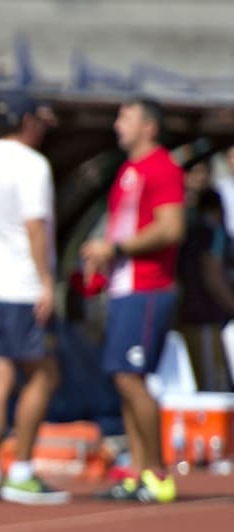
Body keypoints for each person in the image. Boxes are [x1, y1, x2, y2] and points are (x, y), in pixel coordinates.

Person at [80, 97, 185, 502]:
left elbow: (170, 228)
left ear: (149, 127)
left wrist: (117, 249)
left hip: (149, 286)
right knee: (122, 378)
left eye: (126, 116)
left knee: (131, 377)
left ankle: (157, 471)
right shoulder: (128, 170)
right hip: (124, 287)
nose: (117, 123)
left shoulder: (163, 168)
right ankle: (139, 471)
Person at [0, 93, 68, 505]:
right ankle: (22, 468)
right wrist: (47, 282)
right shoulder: (33, 165)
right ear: (26, 121)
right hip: (22, 285)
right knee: (43, 374)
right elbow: (34, 227)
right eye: (39, 121)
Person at [176, 162, 234, 391]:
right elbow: (213, 275)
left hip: (191, 314)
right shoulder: (212, 233)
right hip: (206, 316)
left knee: (203, 382)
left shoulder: (191, 232)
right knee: (214, 386)